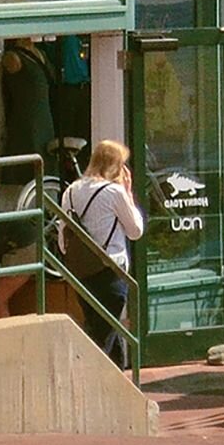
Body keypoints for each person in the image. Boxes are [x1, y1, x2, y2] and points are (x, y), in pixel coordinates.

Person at [59, 139, 144, 366]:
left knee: (103, 327)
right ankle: (90, 379)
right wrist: (128, 193)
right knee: (104, 334)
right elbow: (135, 231)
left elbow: (62, 240)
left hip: (80, 271)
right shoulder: (114, 192)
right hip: (110, 270)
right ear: (116, 166)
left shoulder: (70, 191)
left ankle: (121, 384)